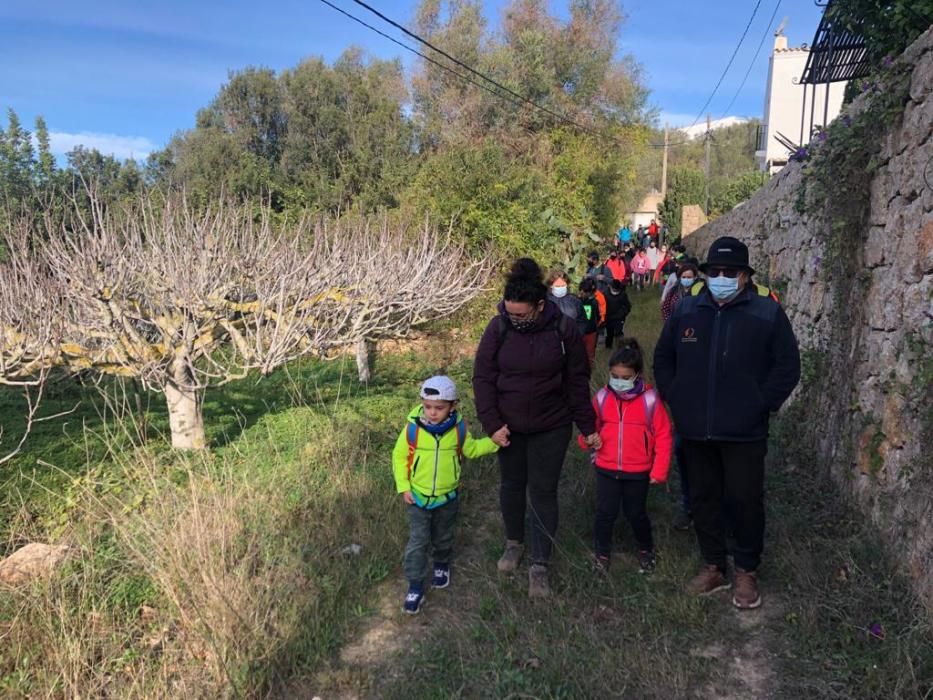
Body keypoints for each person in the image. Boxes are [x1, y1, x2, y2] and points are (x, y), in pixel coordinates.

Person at [653, 236, 801, 610]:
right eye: (714, 271)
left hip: (745, 432)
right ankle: (714, 564)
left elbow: (787, 365)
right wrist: (676, 396)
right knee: (704, 497)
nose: (721, 277)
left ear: (744, 276)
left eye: (729, 272)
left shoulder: (766, 313)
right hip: (695, 429)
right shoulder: (686, 310)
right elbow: (663, 358)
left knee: (745, 499)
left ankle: (746, 570)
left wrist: (760, 404)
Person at [473, 258, 599, 599]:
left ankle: (540, 562)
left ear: (540, 305)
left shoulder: (564, 329)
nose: (514, 319)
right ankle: (514, 542)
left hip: (551, 425)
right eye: (509, 313)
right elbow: (483, 378)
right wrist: (492, 424)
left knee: (543, 490)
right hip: (508, 428)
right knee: (512, 485)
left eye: (521, 315)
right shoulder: (497, 328)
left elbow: (577, 380)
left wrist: (587, 425)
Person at [393, 375, 499, 614]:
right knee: (418, 542)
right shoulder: (412, 428)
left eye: (439, 408)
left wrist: (494, 443)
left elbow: (471, 449)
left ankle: (441, 563)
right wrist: (404, 486)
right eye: (428, 407)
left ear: (453, 406)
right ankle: (415, 585)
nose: (432, 413)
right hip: (418, 498)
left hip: (447, 498)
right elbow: (399, 457)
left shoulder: (459, 429)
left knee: (443, 536)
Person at [578, 340, 672, 573]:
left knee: (636, 513)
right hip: (606, 468)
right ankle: (601, 554)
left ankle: (645, 550)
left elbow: (664, 435)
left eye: (624, 376)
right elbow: (588, 428)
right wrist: (588, 439)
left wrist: (659, 470)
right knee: (605, 513)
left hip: (638, 471)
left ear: (637, 375)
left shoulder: (650, 400)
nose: (618, 381)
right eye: (614, 375)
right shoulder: (601, 398)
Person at [578, 278, 601, 366]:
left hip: (590, 332)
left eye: (582, 292)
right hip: (583, 331)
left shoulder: (591, 303)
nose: (580, 293)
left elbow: (594, 317)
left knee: (589, 353)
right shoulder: (579, 301)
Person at [603, 278, 631, 349]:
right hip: (608, 317)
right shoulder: (605, 294)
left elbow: (627, 306)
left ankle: (620, 348)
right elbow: (602, 305)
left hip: (619, 318)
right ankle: (608, 347)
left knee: (619, 333)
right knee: (609, 333)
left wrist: (623, 313)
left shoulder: (623, 295)